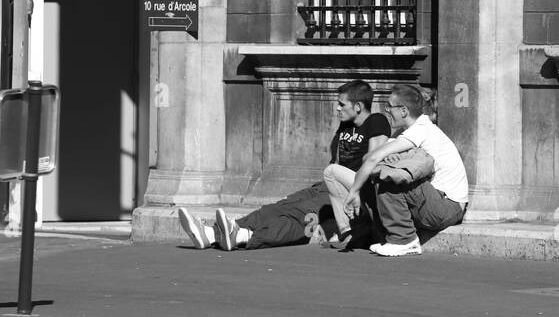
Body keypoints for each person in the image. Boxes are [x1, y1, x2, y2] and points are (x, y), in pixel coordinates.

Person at [177, 80, 390, 251]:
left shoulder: (377, 121)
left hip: (348, 190)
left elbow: (372, 161)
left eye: (342, 104)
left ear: (358, 106)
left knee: (298, 215)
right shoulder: (346, 124)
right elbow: (336, 160)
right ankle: (213, 234)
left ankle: (245, 237)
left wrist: (355, 195)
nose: (337, 108)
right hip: (325, 184)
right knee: (278, 206)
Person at [343, 84, 469, 257]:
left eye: (389, 107)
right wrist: (386, 157)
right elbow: (368, 158)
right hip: (434, 202)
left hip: (447, 207)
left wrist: (353, 191)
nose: (387, 111)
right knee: (374, 173)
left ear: (403, 111)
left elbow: (372, 159)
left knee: (388, 175)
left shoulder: (420, 130)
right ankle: (388, 236)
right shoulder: (405, 133)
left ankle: (405, 240)